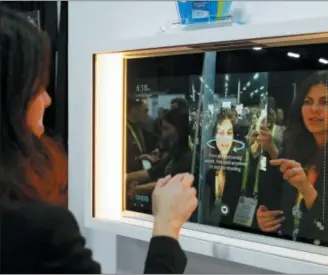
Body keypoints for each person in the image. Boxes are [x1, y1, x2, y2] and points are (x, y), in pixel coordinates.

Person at [0, 6, 197, 273]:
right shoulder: (37, 229)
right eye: (38, 88)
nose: (47, 100)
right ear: (11, 98)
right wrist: (167, 228)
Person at [256, 71, 328, 254]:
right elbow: (284, 208)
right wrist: (266, 219)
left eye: (325, 102)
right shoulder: (295, 150)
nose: (314, 110)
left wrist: (308, 190)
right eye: (308, 102)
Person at [126, 96, 158, 173]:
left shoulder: (138, 128)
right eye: (145, 111)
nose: (147, 115)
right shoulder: (122, 131)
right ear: (134, 110)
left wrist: (148, 155)